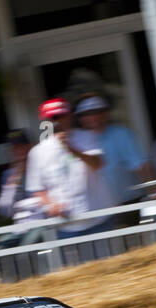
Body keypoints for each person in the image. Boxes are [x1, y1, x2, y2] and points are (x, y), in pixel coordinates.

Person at [24, 98, 112, 238]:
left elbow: (98, 164)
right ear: (44, 121)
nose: (57, 121)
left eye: (61, 116)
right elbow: (37, 189)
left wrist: (71, 148)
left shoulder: (87, 137)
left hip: (99, 220)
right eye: (52, 117)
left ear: (70, 116)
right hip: (67, 228)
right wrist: (51, 205)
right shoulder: (37, 152)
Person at [74, 93, 152, 204]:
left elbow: (141, 165)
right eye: (87, 113)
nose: (94, 116)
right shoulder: (74, 141)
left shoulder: (122, 133)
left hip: (128, 201)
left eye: (98, 111)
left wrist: (153, 190)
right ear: (80, 118)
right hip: (95, 209)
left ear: (106, 113)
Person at [0, 129, 42, 221]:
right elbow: (4, 211)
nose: (19, 151)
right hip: (21, 229)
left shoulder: (41, 169)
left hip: (44, 225)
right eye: (14, 148)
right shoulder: (8, 175)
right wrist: (15, 178)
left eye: (22, 146)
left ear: (30, 147)